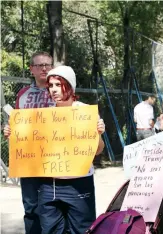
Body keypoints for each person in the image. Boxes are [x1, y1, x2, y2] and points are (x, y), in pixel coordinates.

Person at [39, 65, 105, 234]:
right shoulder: (43, 116)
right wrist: (14, 134)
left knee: (82, 230)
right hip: (49, 184)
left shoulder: (85, 112)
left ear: (69, 86)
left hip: (79, 183)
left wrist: (98, 134)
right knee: (50, 230)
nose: (53, 90)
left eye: (57, 85)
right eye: (50, 85)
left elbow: (97, 151)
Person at [3, 51, 55, 234]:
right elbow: (17, 124)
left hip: (54, 160)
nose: (44, 68)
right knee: (31, 207)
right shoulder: (23, 95)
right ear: (31, 69)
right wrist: (9, 130)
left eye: (48, 64)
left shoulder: (59, 91)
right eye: (39, 65)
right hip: (29, 161)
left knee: (51, 208)